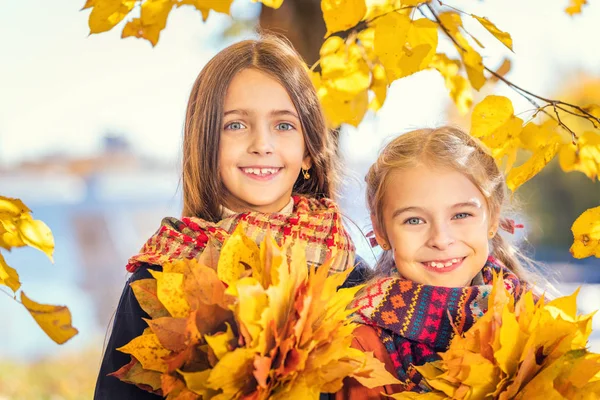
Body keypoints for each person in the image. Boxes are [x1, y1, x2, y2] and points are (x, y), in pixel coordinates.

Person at [94, 35, 367, 399]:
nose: (262, 144)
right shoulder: (161, 276)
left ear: (308, 152)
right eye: (235, 125)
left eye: (284, 125)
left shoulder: (351, 275)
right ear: (204, 143)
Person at [334, 126, 544, 398]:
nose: (441, 240)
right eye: (414, 220)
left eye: (461, 215)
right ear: (382, 230)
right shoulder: (362, 347)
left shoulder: (538, 322)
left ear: (492, 218)